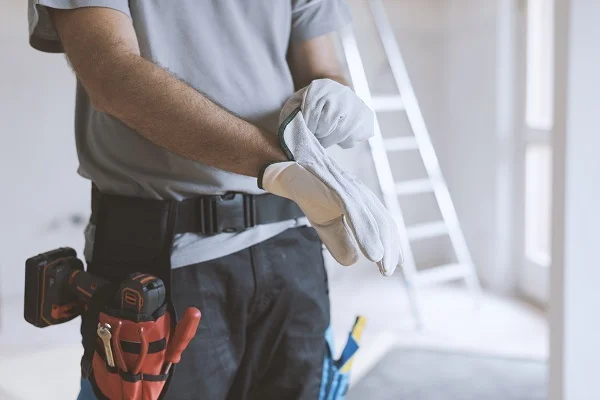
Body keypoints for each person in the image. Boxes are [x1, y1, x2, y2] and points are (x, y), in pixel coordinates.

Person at [27, 1, 401, 399]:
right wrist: (282, 169)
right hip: (165, 259)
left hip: (292, 240)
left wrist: (335, 100)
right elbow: (110, 72)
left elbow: (320, 64)